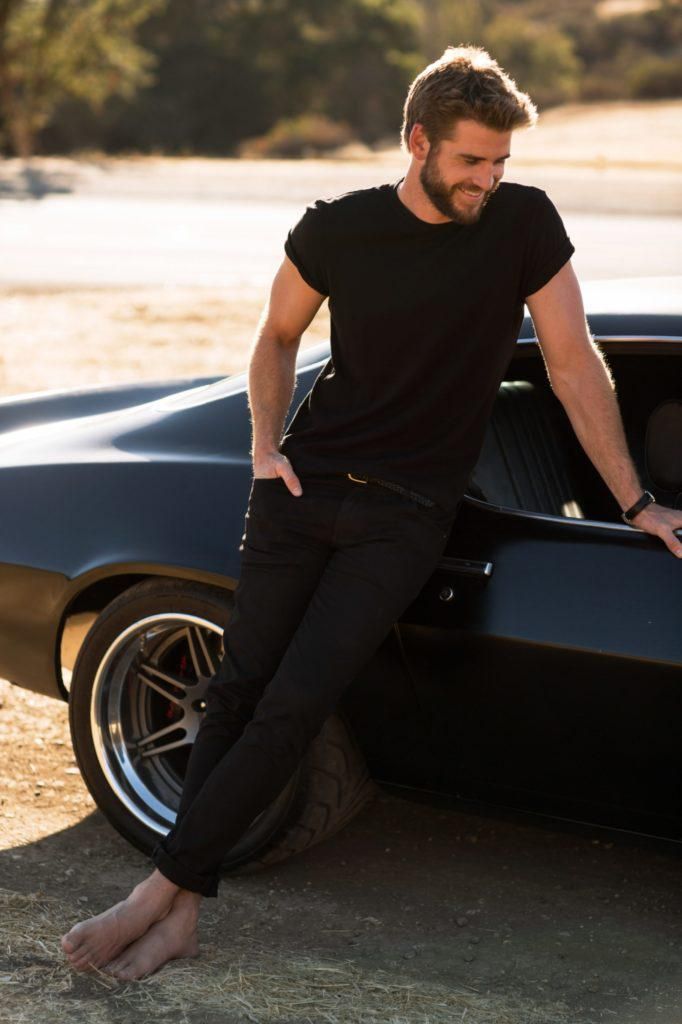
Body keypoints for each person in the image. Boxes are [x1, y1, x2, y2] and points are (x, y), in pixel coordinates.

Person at [60, 45, 682, 981]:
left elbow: (572, 360)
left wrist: (635, 499)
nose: (490, 179)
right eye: (473, 160)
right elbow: (276, 337)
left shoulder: (524, 223)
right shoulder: (338, 228)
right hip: (302, 492)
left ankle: (163, 893)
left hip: (406, 517)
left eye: (502, 162)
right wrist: (267, 447)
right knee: (236, 692)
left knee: (296, 704)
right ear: (417, 140)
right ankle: (181, 907)